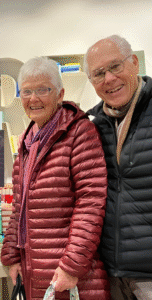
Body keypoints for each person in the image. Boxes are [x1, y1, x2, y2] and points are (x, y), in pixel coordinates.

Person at [0, 56, 111, 300]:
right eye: (27, 91)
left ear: (60, 94)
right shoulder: (29, 142)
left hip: (71, 276)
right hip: (36, 272)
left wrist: (72, 266)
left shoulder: (79, 133)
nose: (33, 98)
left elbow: (91, 202)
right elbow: (20, 206)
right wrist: (12, 255)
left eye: (42, 90)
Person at [85, 35, 152, 300]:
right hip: (110, 272)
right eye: (99, 74)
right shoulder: (95, 124)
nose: (109, 79)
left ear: (134, 63)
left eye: (115, 67)